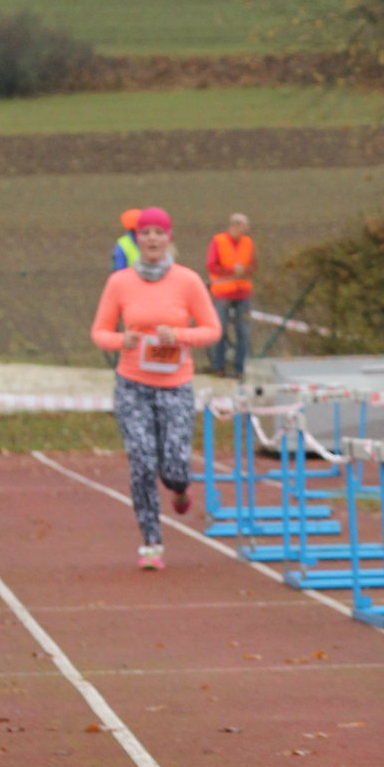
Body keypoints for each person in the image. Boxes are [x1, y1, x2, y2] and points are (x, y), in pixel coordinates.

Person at [90, 208, 220, 569]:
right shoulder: (120, 282)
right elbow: (100, 332)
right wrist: (123, 340)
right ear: (137, 239)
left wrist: (178, 335)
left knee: (174, 467)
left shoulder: (187, 281)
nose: (151, 239)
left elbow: (212, 330)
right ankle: (151, 543)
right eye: (144, 233)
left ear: (168, 238)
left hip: (175, 385)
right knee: (142, 462)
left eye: (158, 233)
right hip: (132, 385)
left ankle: (180, 488)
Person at [207, 213, 256, 379]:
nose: (247, 229)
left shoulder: (248, 242)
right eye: (244, 225)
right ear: (235, 225)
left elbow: (254, 265)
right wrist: (231, 271)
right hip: (223, 292)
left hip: (243, 293)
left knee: (243, 332)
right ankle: (218, 367)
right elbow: (211, 265)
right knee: (219, 331)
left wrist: (246, 270)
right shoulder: (218, 241)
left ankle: (239, 369)